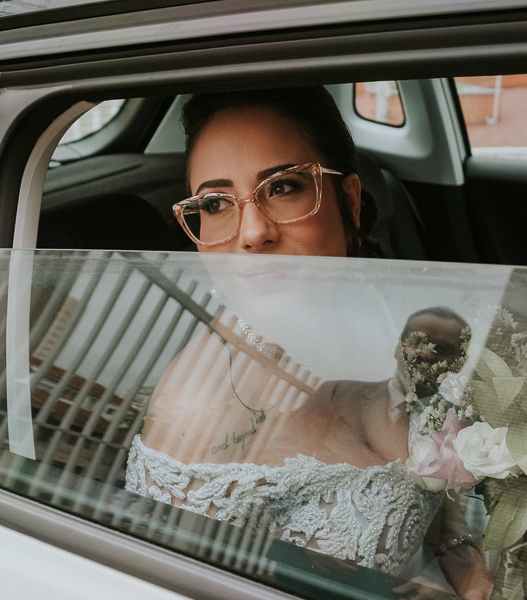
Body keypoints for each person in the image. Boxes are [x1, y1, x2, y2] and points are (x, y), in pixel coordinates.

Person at [125, 86, 491, 598]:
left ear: (349, 200)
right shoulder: (203, 406)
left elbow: (434, 475)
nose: (253, 232)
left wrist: (459, 555)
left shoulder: (385, 314)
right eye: (215, 203)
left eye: (282, 187)